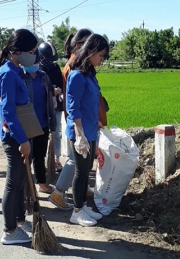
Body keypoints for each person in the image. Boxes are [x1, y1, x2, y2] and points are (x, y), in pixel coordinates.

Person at [0, 28, 38, 245]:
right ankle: (9, 230)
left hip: (20, 134)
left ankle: (19, 220)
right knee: (12, 182)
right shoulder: (8, 73)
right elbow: (7, 112)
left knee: (18, 182)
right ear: (17, 51)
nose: (34, 55)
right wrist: (23, 141)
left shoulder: (15, 69)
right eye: (31, 51)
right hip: (14, 137)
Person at [67, 34, 109, 227]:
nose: (102, 59)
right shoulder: (76, 76)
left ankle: (83, 206)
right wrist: (79, 134)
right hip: (80, 133)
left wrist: (97, 123)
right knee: (81, 172)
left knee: (87, 171)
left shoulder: (90, 74)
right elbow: (73, 107)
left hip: (91, 129)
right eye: (100, 55)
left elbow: (91, 103)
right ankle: (76, 211)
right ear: (90, 51)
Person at [48, 28, 92, 211]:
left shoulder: (75, 63)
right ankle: (58, 192)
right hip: (76, 119)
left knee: (81, 160)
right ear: (79, 45)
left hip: (78, 118)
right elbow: (74, 99)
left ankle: (81, 188)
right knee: (76, 159)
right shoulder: (74, 66)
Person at [22, 49, 56, 194]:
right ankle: (25, 187)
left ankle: (42, 183)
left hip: (43, 122)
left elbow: (50, 101)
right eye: (33, 61)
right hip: (26, 124)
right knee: (26, 157)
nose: (35, 64)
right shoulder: (21, 77)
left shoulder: (44, 77)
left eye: (37, 61)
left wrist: (52, 122)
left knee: (40, 155)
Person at [37, 41, 64, 172]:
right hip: (41, 106)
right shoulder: (36, 70)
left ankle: (56, 159)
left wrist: (58, 90)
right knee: (40, 134)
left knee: (56, 132)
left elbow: (60, 83)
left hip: (56, 106)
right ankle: (40, 161)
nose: (49, 62)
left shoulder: (55, 68)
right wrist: (50, 90)